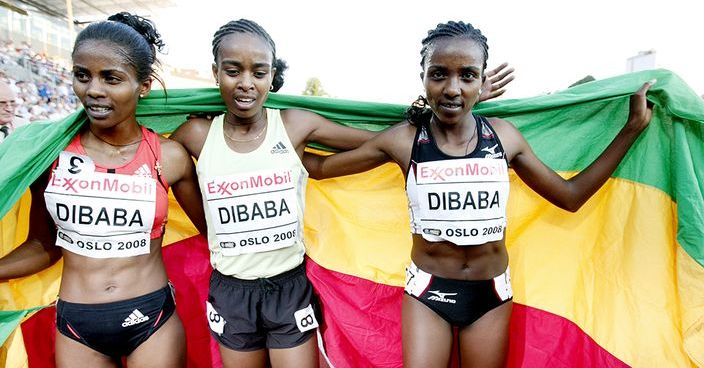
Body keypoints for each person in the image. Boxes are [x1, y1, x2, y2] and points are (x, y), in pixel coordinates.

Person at [303, 21, 654, 368]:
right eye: (439, 74)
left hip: (491, 295)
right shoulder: (403, 139)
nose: (453, 88)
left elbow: (570, 196)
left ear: (483, 81)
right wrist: (270, 138)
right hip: (428, 293)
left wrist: (631, 130)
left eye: (467, 76)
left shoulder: (505, 137)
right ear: (422, 77)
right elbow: (321, 169)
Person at [170, 19, 514, 368]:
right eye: (233, 71)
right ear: (216, 73)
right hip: (231, 289)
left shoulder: (295, 125)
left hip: (288, 286)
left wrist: (452, 104)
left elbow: (379, 138)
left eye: (258, 72)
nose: (246, 83)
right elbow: (162, 165)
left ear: (272, 76)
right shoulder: (194, 135)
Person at [0, 13, 206, 368]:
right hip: (77, 325)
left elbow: (216, 233)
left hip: (151, 319)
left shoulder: (169, 157)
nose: (93, 89)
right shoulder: (50, 157)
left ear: (144, 86)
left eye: (111, 78)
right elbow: (44, 247)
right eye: (83, 75)